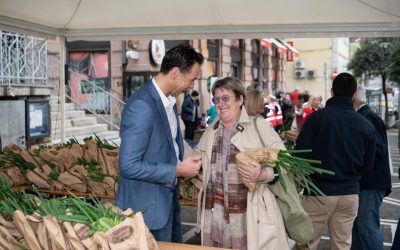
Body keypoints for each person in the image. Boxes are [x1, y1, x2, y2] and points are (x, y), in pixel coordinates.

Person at [117, 44, 204, 242]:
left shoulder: (168, 101)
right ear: (175, 73)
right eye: (191, 79)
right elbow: (128, 165)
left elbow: (168, 145)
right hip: (147, 209)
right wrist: (176, 170)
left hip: (167, 200)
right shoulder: (142, 106)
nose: (192, 86)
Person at [196, 77, 289, 250]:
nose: (220, 104)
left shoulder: (258, 126)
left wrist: (263, 174)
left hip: (250, 215)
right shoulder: (212, 130)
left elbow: (286, 163)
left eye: (225, 98)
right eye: (217, 99)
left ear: (240, 99)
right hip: (215, 214)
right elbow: (199, 161)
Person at [295, 72, 376, 250]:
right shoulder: (366, 125)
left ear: (332, 92)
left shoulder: (316, 119)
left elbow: (299, 156)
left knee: (307, 243)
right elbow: (368, 166)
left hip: (318, 191)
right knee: (342, 244)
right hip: (349, 193)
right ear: (354, 94)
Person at [351, 84, 392, 250]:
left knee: (367, 226)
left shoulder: (368, 116)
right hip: (368, 182)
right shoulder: (364, 115)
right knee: (359, 226)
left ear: (353, 95)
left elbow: (379, 150)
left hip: (372, 182)